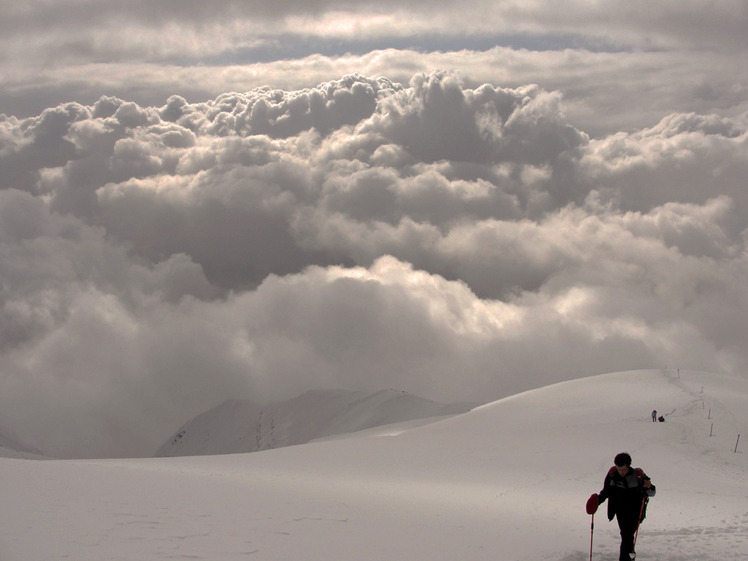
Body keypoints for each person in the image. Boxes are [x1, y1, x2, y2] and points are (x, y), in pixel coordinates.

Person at [596, 452, 656, 561]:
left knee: (627, 535)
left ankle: (626, 558)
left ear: (629, 466)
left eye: (624, 469)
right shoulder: (612, 474)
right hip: (619, 510)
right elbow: (606, 492)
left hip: (635, 512)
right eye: (619, 469)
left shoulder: (638, 475)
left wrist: (649, 486)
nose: (621, 472)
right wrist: (597, 501)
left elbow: (652, 492)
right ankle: (630, 556)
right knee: (626, 536)